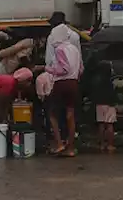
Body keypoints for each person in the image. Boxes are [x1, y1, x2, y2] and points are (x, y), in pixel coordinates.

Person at [45, 12, 83, 156]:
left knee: (53, 114)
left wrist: (49, 70)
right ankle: (71, 148)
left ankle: (59, 144)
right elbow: (80, 68)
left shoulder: (59, 48)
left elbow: (59, 66)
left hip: (61, 83)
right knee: (70, 115)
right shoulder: (75, 46)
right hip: (74, 83)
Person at [87, 57, 117, 153]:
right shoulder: (110, 82)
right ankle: (110, 145)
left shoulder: (97, 81)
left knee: (101, 125)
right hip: (109, 105)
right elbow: (113, 94)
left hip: (99, 104)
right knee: (109, 125)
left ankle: (102, 144)